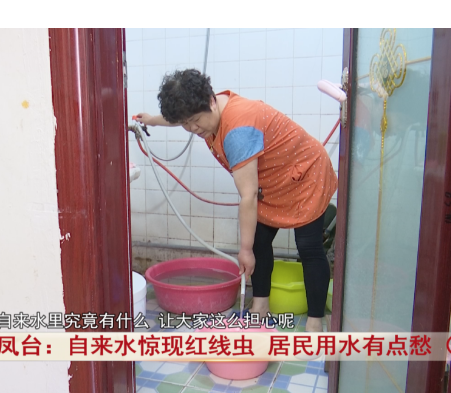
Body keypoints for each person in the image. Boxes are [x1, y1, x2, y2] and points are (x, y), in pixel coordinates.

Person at [134, 69, 338, 332]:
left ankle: (315, 321)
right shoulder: (208, 107)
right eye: (185, 124)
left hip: (306, 174)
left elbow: (248, 196)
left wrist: (244, 250)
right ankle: (260, 306)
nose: (192, 129)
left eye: (194, 121)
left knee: (308, 247)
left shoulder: (237, 129)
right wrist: (153, 120)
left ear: (210, 102)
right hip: (273, 180)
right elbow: (185, 115)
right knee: (260, 241)